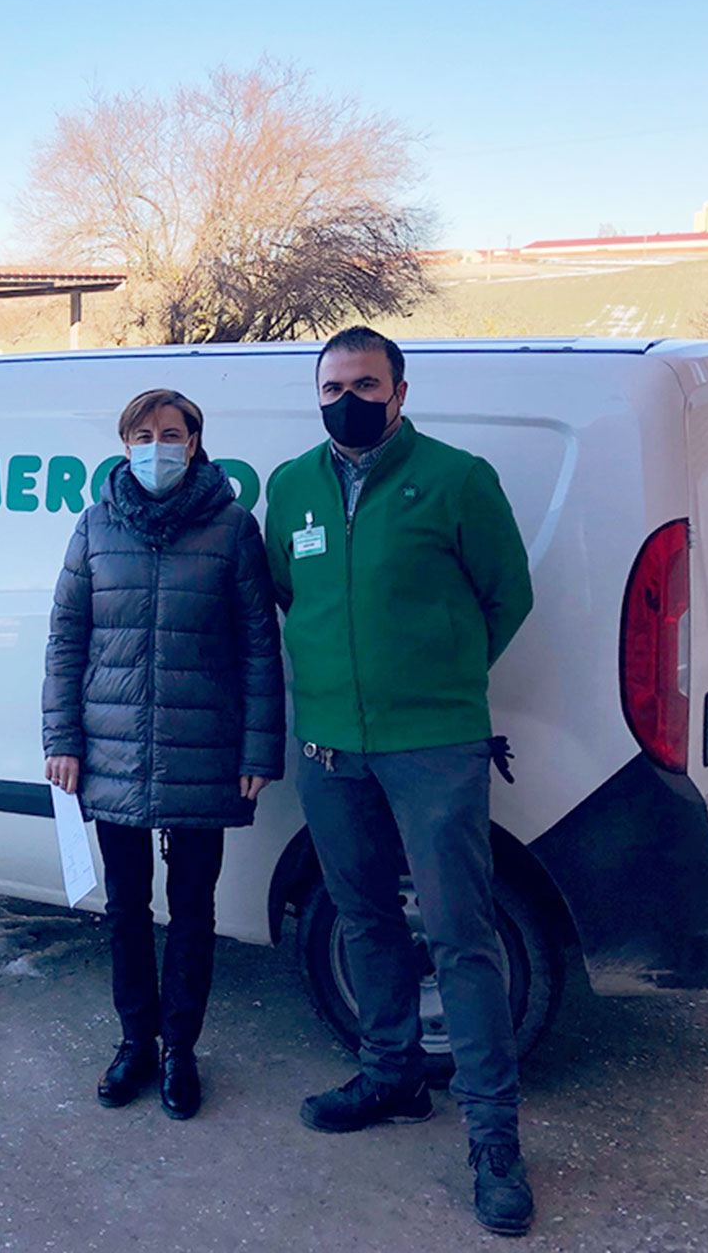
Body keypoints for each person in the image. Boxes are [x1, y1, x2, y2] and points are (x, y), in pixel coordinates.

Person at [264, 326, 537, 1235]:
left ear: (400, 391)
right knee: (364, 915)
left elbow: (509, 596)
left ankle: (493, 1137)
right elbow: (294, 601)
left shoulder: (458, 479)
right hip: (331, 749)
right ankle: (393, 1077)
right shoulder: (291, 487)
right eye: (333, 384)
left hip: (435, 748)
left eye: (366, 383)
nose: (349, 398)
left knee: (462, 936)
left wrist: (440, 680)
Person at [42, 388, 284, 1121]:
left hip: (202, 750)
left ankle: (181, 1049)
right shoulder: (92, 527)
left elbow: (257, 651)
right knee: (125, 910)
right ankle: (134, 1044)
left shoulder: (234, 529)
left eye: (170, 433)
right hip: (111, 753)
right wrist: (62, 741)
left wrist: (257, 750)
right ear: (123, 446)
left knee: (191, 911)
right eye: (142, 434)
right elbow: (65, 642)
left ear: (195, 442)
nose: (156, 446)